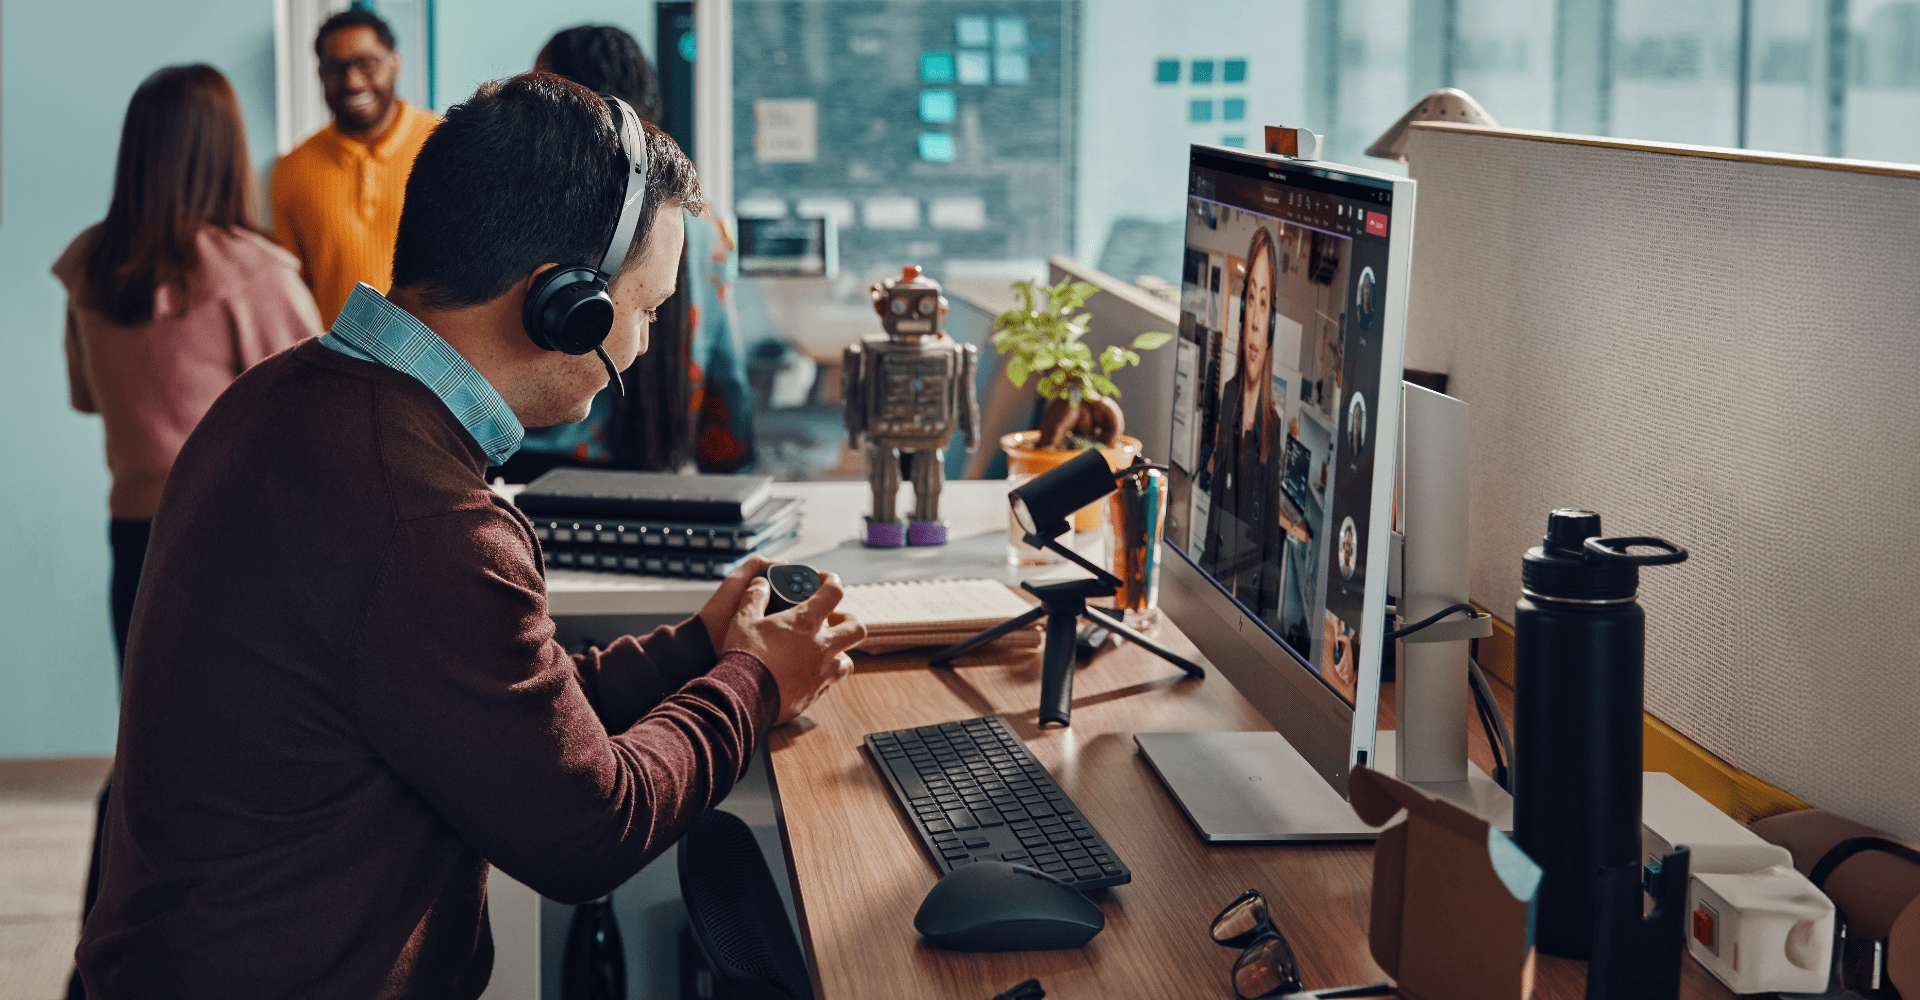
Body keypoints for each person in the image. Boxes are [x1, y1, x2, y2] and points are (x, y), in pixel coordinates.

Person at [76, 74, 863, 997]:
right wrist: (756, 685)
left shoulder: (284, 399)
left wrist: (698, 648)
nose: (645, 346)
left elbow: (497, 711)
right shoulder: (420, 514)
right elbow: (590, 826)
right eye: (644, 309)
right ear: (561, 306)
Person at [54, 63, 322, 1000]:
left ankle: (102, 970)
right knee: (238, 769)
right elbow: (313, 419)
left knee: (145, 761)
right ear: (224, 151)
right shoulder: (257, 273)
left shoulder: (89, 266)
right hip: (234, 552)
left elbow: (85, 394)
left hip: (134, 541)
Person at [494, 23, 755, 479]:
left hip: (533, 474)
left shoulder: (538, 210)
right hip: (654, 473)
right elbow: (724, 372)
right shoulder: (700, 224)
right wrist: (734, 484)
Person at [270, 8, 439, 325]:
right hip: (335, 365)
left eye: (366, 63)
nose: (352, 81)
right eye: (335, 68)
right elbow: (290, 292)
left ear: (395, 63)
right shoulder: (292, 170)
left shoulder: (443, 145)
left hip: (434, 363)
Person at [1201, 225, 1285, 624]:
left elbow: (1270, 535)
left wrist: (1266, 625)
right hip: (1216, 591)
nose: (1254, 320)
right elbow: (1217, 501)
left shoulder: (1272, 424)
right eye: (1250, 298)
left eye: (1264, 304)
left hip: (1250, 607)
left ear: (1271, 325)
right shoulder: (1230, 396)